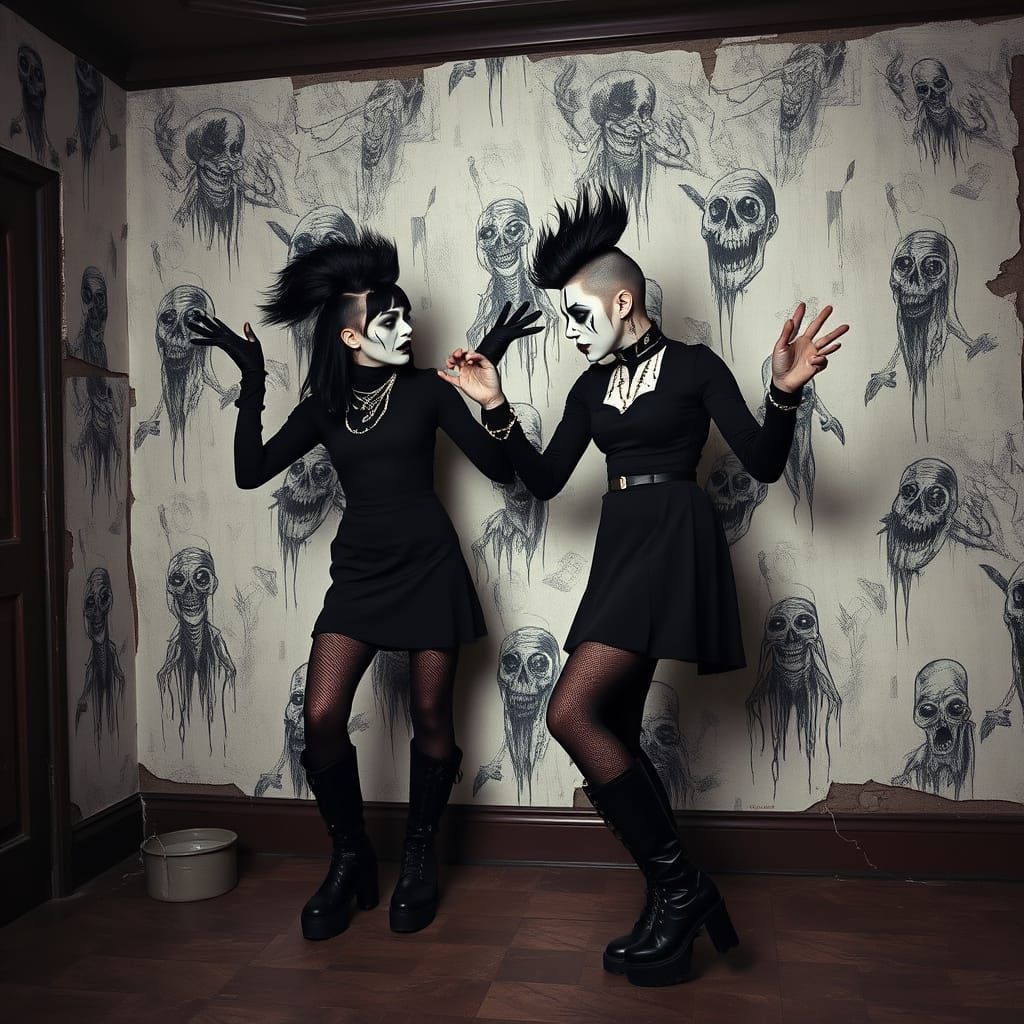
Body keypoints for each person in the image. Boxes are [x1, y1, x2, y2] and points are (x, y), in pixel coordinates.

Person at [442, 187, 847, 987]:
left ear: (622, 302)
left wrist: (784, 390)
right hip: (621, 549)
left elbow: (763, 463)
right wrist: (495, 409)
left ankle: (679, 889)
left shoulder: (695, 368)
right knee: (610, 733)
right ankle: (678, 897)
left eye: (577, 316)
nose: (569, 331)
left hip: (675, 543)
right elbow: (548, 481)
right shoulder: (591, 390)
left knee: (569, 713)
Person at [187, 230, 541, 940]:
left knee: (433, 719)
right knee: (321, 716)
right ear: (351, 337)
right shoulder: (323, 406)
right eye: (390, 320)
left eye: (408, 315)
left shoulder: (428, 395)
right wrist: (252, 378)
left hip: (431, 571)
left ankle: (418, 857)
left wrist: (491, 385)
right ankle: (350, 860)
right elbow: (251, 471)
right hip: (359, 577)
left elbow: (506, 474)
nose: (408, 328)